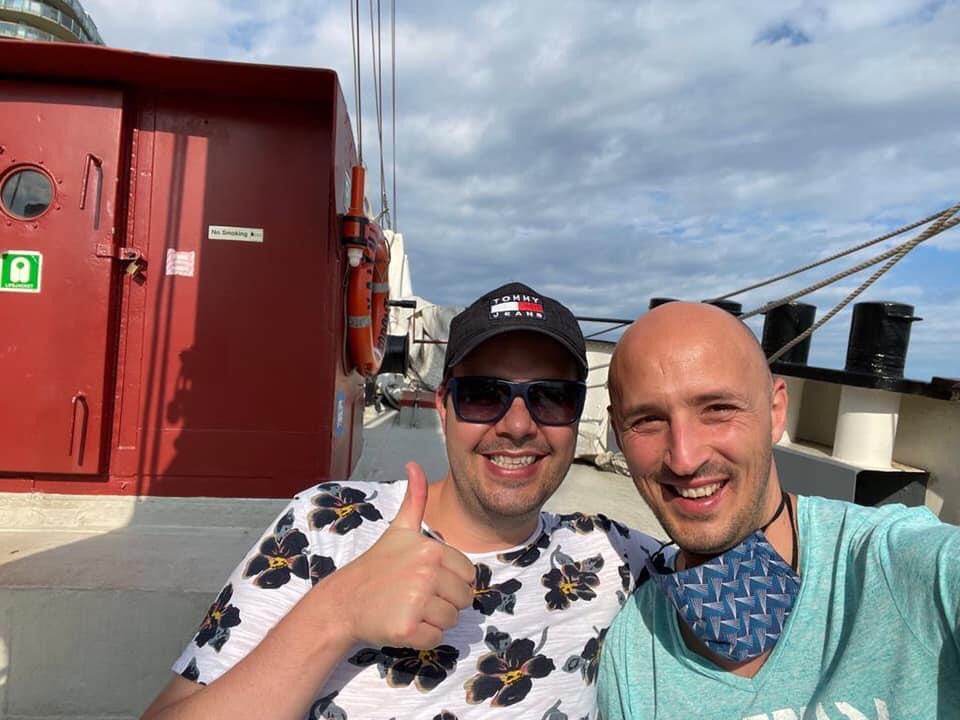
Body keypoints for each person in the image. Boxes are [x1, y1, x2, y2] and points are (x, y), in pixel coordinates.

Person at [143, 281, 663, 720]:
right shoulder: (328, 523)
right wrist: (337, 613)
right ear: (443, 406)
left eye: (551, 397)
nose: (518, 425)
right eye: (483, 394)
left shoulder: (615, 559)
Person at [598, 301, 960, 719]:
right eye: (647, 419)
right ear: (618, 432)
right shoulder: (633, 654)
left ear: (776, 412)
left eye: (719, 409)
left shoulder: (897, 566)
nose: (684, 458)